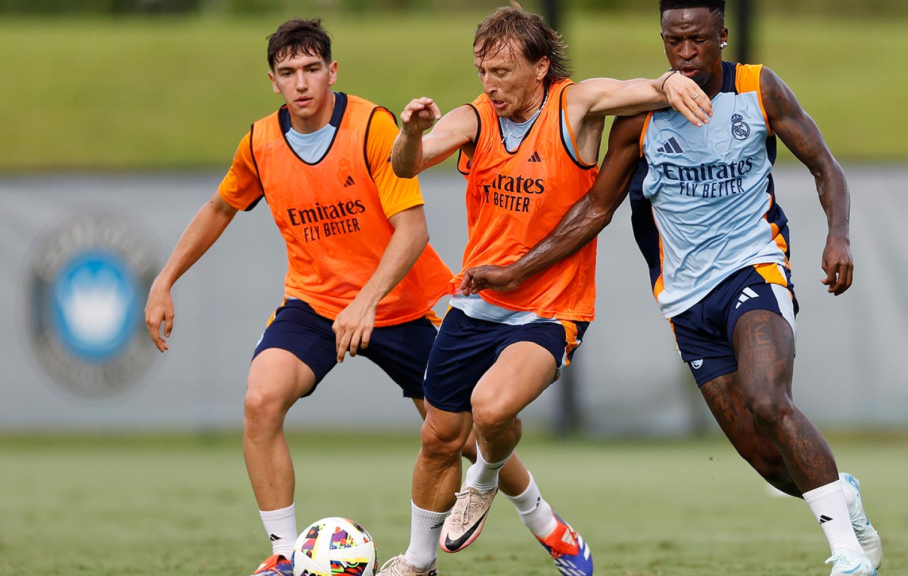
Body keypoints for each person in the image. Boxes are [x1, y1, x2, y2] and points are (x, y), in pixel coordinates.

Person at [142, 18, 585, 576]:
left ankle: (548, 526)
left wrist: (367, 302)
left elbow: (413, 230)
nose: (301, 82)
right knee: (260, 400)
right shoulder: (260, 142)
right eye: (287, 72)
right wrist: (164, 280)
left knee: (461, 435)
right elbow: (220, 208)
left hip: (404, 305)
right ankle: (284, 553)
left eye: (310, 69)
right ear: (273, 81)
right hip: (315, 305)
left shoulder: (373, 126)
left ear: (332, 72)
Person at [460, 1, 884, 575]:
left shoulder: (760, 91)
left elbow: (824, 165)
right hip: (685, 299)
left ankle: (848, 556)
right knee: (766, 460)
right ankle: (841, 492)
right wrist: (514, 271)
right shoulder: (640, 116)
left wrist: (839, 237)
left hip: (754, 269)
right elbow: (595, 208)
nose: (686, 54)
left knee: (767, 398)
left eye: (698, 40)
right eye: (674, 41)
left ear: (723, 36)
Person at [376, 4, 712, 576]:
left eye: (502, 71)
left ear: (539, 67)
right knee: (438, 438)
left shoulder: (573, 105)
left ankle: (481, 483)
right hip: (476, 304)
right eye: (483, 70)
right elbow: (408, 164)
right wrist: (409, 133)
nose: (490, 83)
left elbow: (631, 89)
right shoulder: (475, 118)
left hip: (552, 308)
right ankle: (421, 561)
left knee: (491, 407)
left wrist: (669, 82)